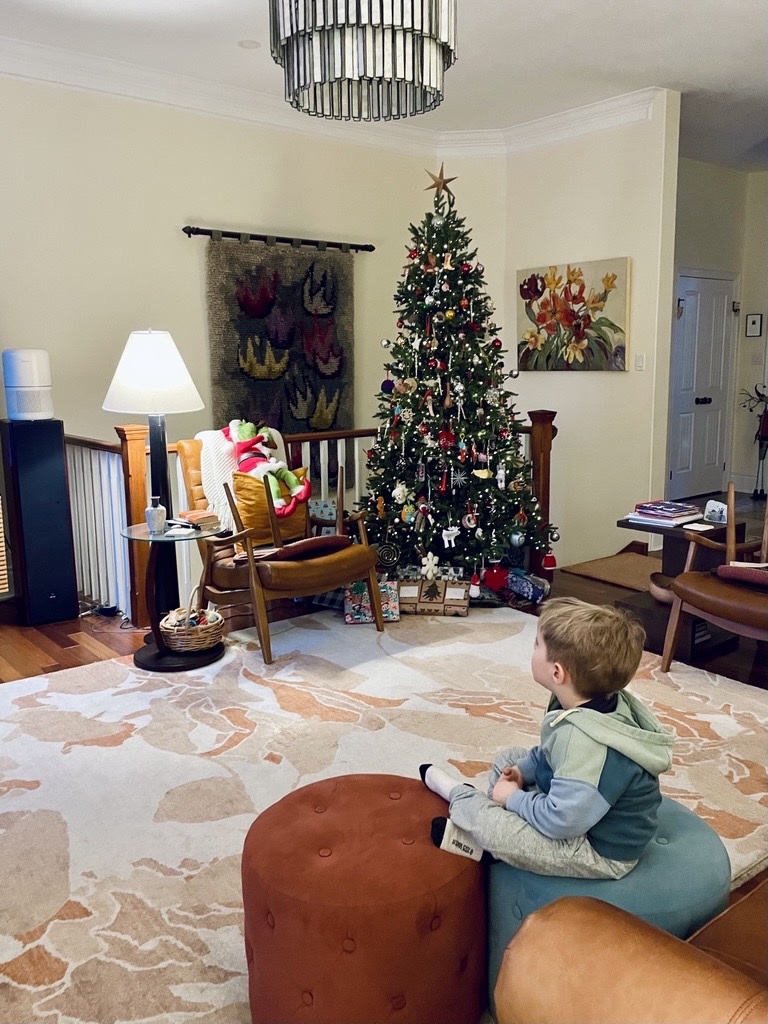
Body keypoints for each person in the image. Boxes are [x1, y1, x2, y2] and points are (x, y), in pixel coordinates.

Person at [420, 597, 674, 878]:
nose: (532, 649)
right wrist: (520, 772)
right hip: (581, 808)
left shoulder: (585, 742)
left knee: (490, 822)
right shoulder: (592, 704)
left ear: (557, 672)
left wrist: (514, 798)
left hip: (596, 850)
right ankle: (498, 814)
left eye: (536, 645)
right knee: (511, 759)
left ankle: (463, 801)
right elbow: (553, 752)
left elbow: (562, 821)